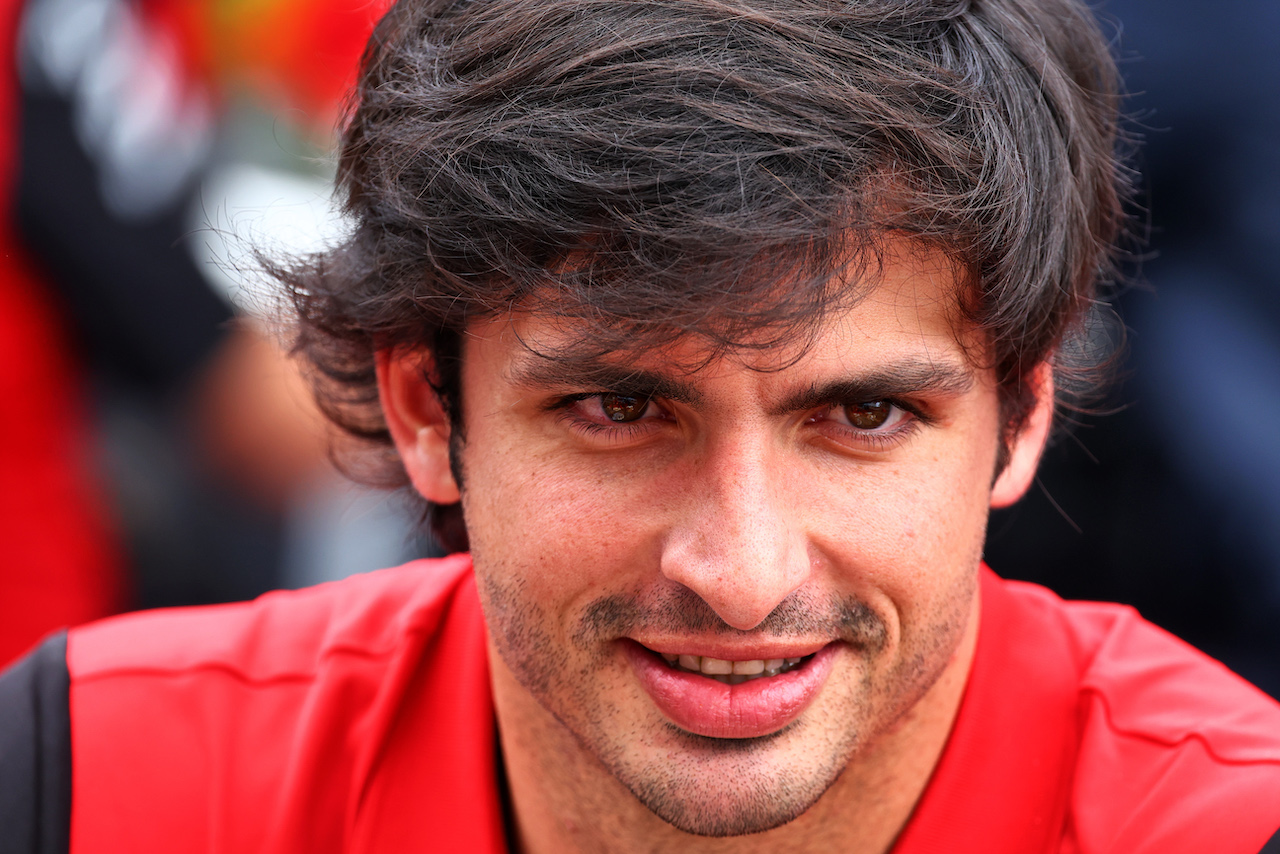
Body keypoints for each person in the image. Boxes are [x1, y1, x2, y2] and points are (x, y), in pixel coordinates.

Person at [3, 0, 1279, 851]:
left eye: (863, 414)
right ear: (420, 404)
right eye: (621, 409)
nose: (739, 572)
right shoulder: (94, 785)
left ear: (1021, 413)